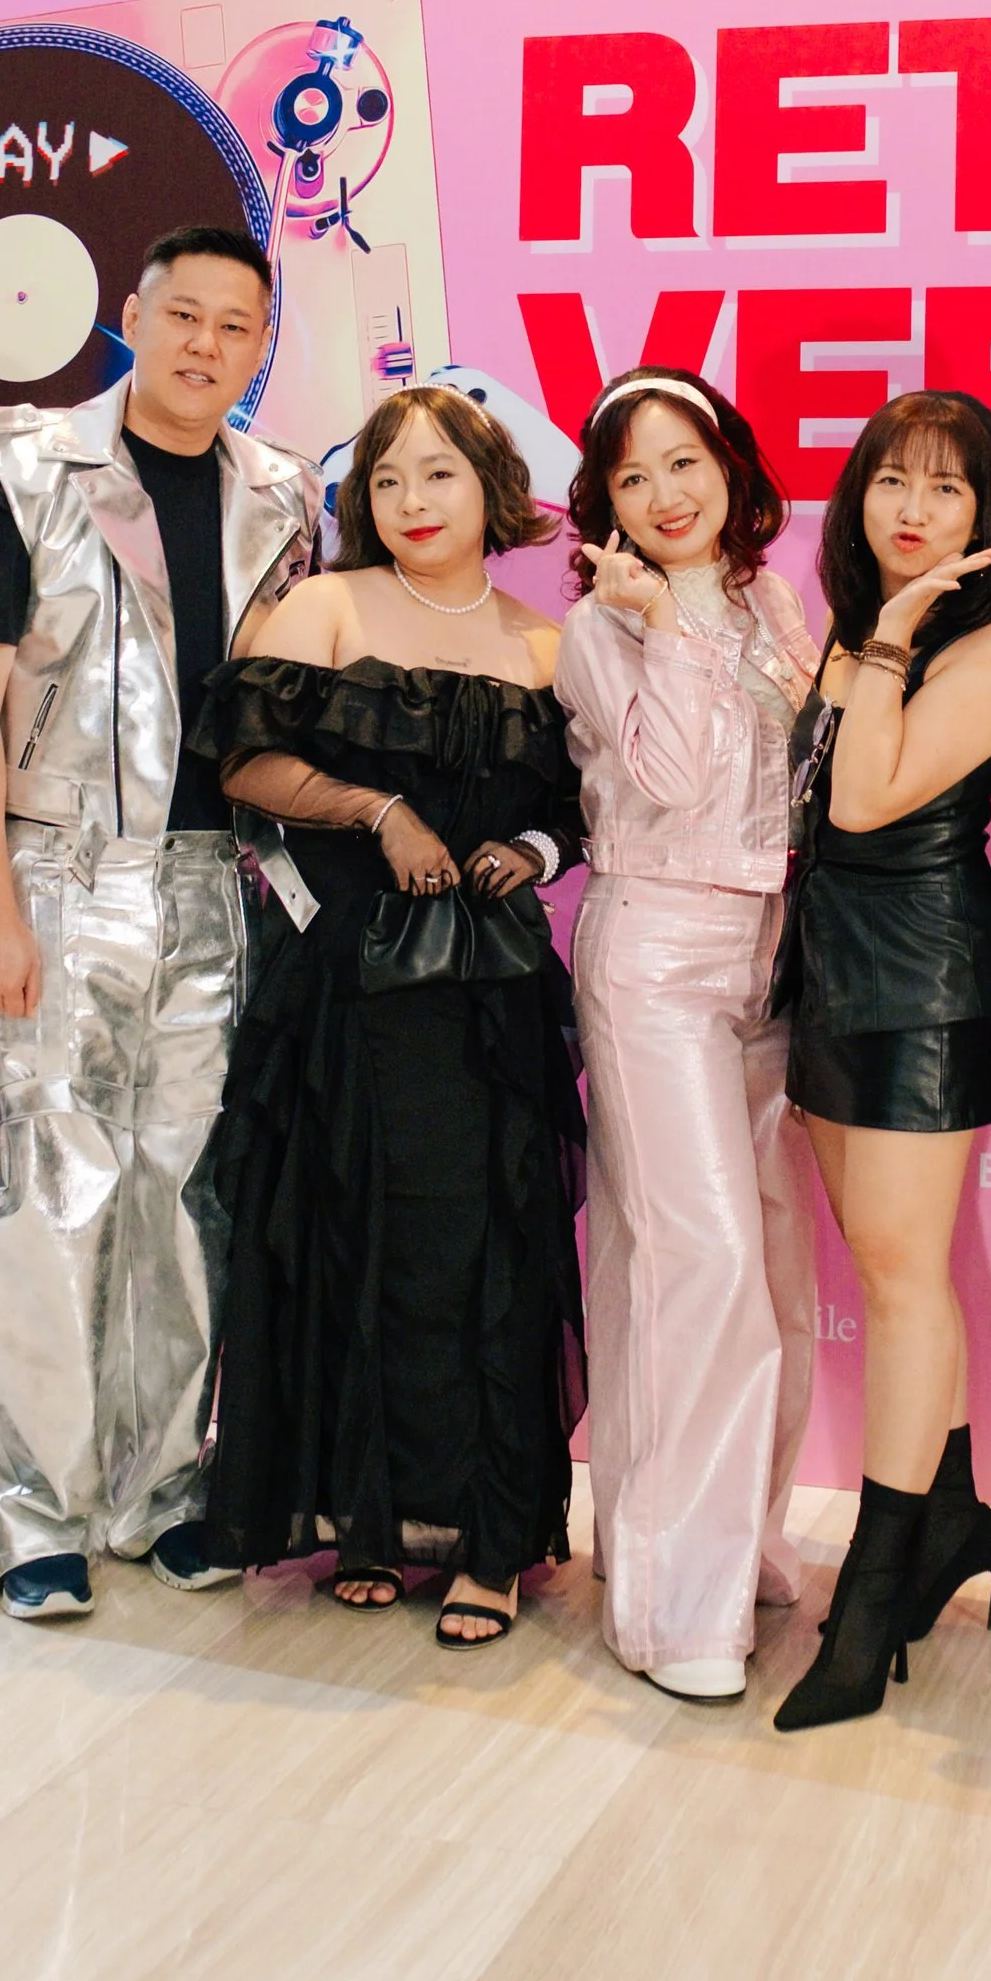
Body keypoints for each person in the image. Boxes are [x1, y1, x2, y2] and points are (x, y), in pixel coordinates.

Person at [0, 226, 318, 1621]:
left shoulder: (284, 492)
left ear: (260, 344)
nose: (207, 344)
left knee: (182, 1190)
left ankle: (161, 1485)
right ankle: (32, 1504)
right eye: (183, 314)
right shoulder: (23, 465)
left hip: (220, 883)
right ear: (133, 317)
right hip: (59, 875)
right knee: (55, 1186)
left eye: (236, 325)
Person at [197, 383, 586, 1647]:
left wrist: (531, 848)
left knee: (485, 1252)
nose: (412, 500)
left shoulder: (545, 643)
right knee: (346, 1232)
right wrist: (378, 810)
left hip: (487, 1000)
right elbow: (245, 761)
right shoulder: (324, 604)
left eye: (439, 473)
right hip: (343, 986)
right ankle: (361, 1518)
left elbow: (583, 809)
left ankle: (487, 1541)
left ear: (493, 488)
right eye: (386, 478)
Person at [767, 390, 991, 1733]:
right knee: (893, 1274)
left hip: (923, 982)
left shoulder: (989, 647)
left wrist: (887, 635)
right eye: (889, 480)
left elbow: (871, 798)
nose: (912, 509)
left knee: (902, 1281)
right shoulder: (851, 632)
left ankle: (870, 1604)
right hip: (827, 972)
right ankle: (950, 1518)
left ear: (987, 516)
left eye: (945, 487)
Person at [556, 368, 821, 1703]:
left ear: (730, 467)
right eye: (633, 474)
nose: (665, 493)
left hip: (764, 954)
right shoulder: (601, 628)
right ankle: (673, 1610)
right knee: (695, 1261)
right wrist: (664, 626)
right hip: (654, 951)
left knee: (767, 1262)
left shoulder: (772, 600)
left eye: (686, 462)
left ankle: (727, 1535)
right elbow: (666, 775)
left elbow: (800, 771)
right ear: (603, 501)